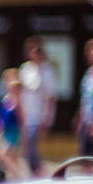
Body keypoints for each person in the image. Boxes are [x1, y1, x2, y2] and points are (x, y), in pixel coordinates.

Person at [19, 36, 57, 176]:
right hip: (25, 115)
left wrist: (46, 119)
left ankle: (40, 175)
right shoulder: (25, 69)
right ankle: (35, 175)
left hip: (38, 117)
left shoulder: (47, 71)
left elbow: (50, 97)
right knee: (26, 150)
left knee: (32, 149)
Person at [0, 68, 29, 181]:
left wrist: (23, 136)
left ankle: (19, 178)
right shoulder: (5, 99)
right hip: (4, 132)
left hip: (13, 132)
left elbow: (22, 119)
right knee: (6, 156)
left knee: (9, 155)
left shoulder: (18, 101)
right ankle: (16, 177)